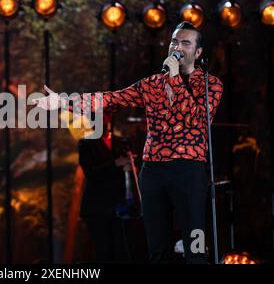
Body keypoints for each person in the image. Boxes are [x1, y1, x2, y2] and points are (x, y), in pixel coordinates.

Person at [32, 22, 224, 264]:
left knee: (194, 247)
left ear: (197, 53)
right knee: (157, 247)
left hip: (188, 169)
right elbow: (110, 98)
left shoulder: (210, 85)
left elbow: (195, 117)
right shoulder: (151, 84)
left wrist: (174, 79)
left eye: (185, 42)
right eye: (174, 41)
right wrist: (63, 101)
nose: (177, 46)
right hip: (153, 171)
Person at [78, 112, 133, 263]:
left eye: (104, 119)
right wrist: (115, 163)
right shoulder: (85, 144)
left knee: (121, 250)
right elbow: (91, 173)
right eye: (96, 120)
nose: (101, 123)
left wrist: (130, 166)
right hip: (97, 207)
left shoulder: (121, 142)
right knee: (103, 251)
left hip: (119, 205)